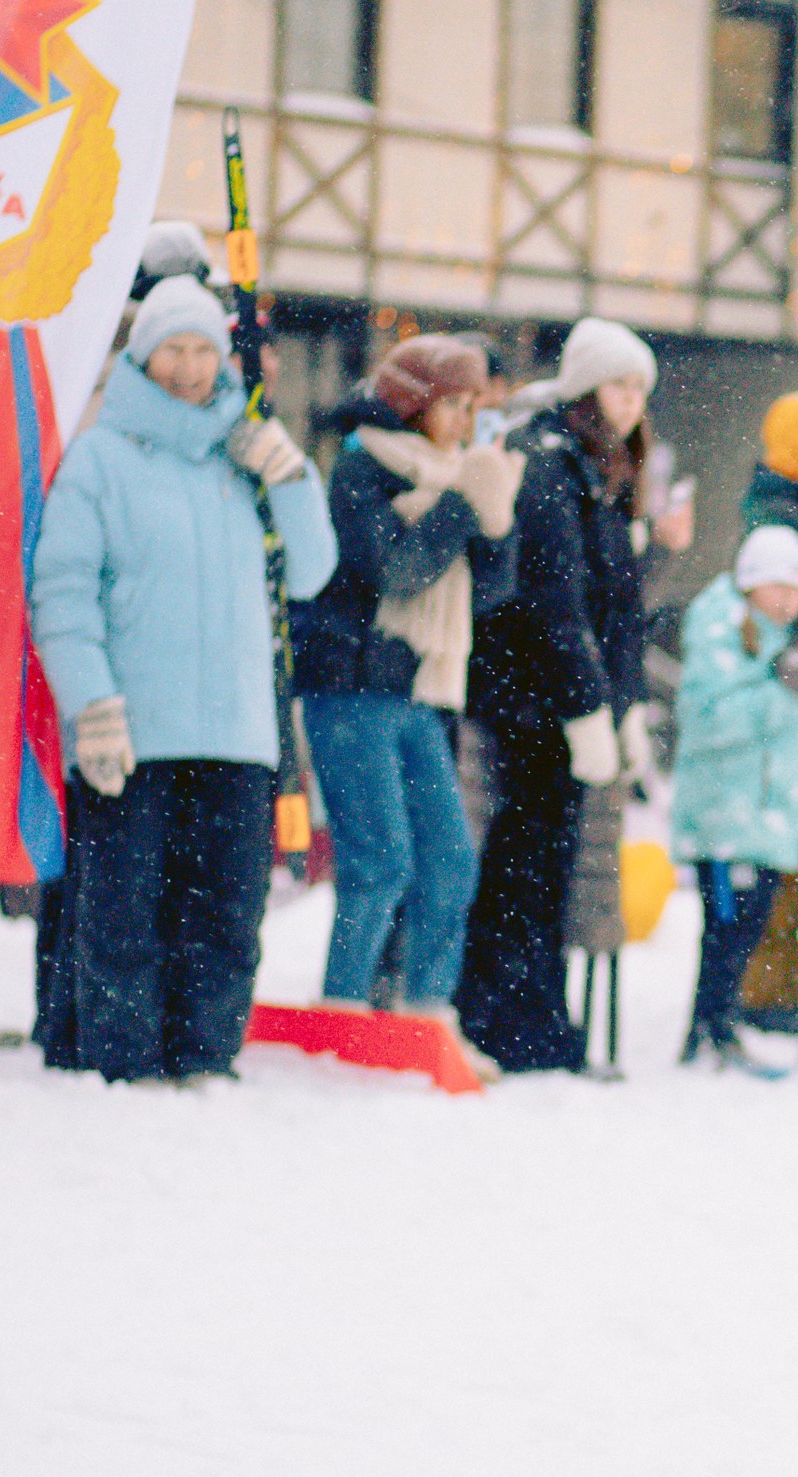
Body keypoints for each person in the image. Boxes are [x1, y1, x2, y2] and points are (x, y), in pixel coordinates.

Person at [29, 276, 338, 1083]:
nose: (192, 367)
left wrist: (291, 478)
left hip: (237, 731)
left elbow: (312, 573)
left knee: (227, 913)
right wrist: (91, 703)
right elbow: (63, 590)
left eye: (205, 349)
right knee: (124, 909)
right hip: (134, 729)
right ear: (142, 358)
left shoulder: (246, 458)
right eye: (174, 349)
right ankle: (124, 1062)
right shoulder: (100, 458)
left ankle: (204, 1057)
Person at [296, 335, 522, 1055]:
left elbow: (489, 590)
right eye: (452, 405)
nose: (464, 422)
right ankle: (341, 1008)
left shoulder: (452, 474)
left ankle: (427, 1013)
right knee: (380, 861)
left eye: (473, 407)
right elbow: (395, 571)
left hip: (421, 690)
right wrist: (461, 504)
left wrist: (495, 518)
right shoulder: (361, 467)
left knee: (451, 858)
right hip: (352, 684)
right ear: (414, 403)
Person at [455, 317, 659, 1072]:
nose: (630, 400)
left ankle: (534, 1015)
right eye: (617, 385)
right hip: (529, 699)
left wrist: (622, 704)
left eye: (638, 387)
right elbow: (554, 603)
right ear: (584, 389)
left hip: (560, 699)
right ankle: (510, 1018)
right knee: (524, 863)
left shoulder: (597, 468)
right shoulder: (549, 462)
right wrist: (586, 708)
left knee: (548, 863)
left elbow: (620, 605)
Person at [668, 526, 798, 1076]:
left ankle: (716, 1027)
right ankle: (709, 1029)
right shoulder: (720, 628)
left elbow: (785, 725)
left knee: (748, 927)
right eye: (779, 586)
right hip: (725, 815)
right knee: (725, 928)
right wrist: (780, 692)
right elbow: (709, 720)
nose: (788, 600)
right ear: (751, 581)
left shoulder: (781, 639)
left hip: (763, 815)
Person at [725, 388, 798, 1034]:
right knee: (796, 850)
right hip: (793, 711)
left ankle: (772, 983)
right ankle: (765, 989)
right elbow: (785, 620)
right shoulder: (783, 515)